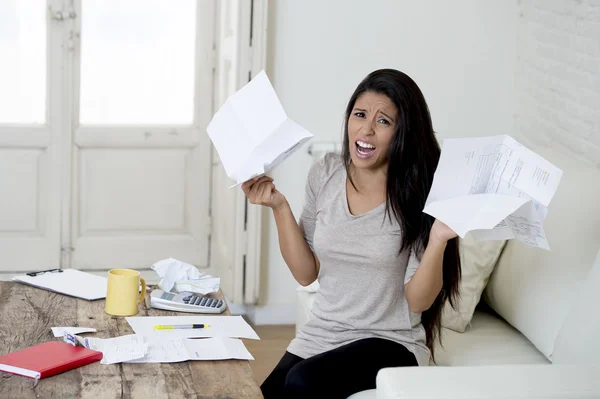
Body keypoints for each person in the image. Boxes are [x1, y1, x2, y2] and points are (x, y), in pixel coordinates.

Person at [241, 69, 462, 399]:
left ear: (403, 132)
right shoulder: (327, 172)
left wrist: (439, 240)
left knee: (302, 383)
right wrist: (279, 207)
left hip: (391, 342)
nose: (366, 129)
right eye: (360, 115)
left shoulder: (420, 192)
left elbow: (418, 301)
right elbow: (306, 274)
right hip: (323, 332)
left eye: (383, 121)